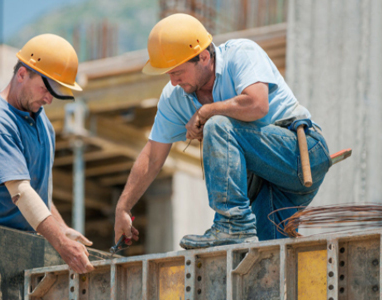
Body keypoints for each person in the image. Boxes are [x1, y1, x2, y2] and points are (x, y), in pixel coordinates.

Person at [114, 13, 331, 249]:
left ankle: (232, 225)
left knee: (218, 124)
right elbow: (152, 155)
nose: (173, 81)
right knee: (269, 260)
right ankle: (237, 229)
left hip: (301, 153)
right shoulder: (174, 97)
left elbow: (257, 104)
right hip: (267, 184)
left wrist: (207, 111)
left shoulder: (241, 54)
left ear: (204, 57)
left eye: (177, 72)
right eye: (169, 74)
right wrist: (123, 207)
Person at [0, 34, 94, 273]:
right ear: (22, 74)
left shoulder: (43, 125)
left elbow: (36, 192)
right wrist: (61, 244)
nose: (49, 99)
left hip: (21, 248)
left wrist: (62, 229)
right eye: (45, 88)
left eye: (54, 92)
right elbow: (21, 192)